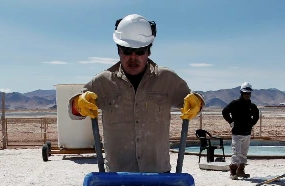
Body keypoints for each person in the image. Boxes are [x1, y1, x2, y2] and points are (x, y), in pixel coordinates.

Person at [69, 14, 204, 173]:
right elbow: (74, 113)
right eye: (127, 51)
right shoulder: (102, 82)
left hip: (158, 175)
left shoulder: (168, 80)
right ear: (118, 49)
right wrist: (78, 104)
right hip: (116, 177)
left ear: (149, 51)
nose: (133, 57)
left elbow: (193, 104)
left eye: (140, 51)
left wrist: (198, 103)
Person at [222, 82, 260, 179]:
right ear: (241, 93)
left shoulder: (252, 106)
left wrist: (251, 124)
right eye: (245, 93)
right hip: (237, 133)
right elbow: (225, 111)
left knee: (243, 153)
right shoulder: (234, 104)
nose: (247, 95)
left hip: (247, 133)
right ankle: (233, 172)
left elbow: (256, 116)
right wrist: (231, 121)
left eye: (248, 93)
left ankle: (241, 170)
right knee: (236, 152)